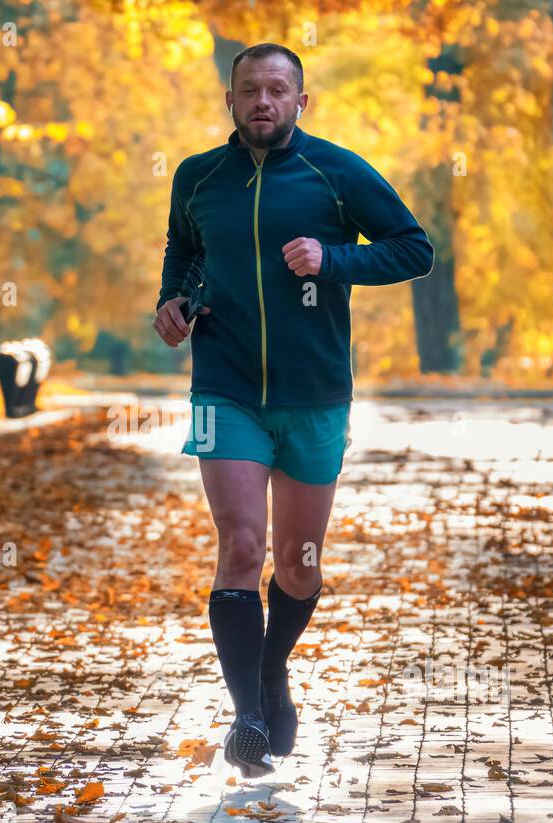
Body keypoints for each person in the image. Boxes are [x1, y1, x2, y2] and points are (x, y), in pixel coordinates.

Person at [153, 43, 434, 778]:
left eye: (278, 90)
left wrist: (334, 260)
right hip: (224, 388)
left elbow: (415, 249)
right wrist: (172, 301)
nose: (263, 102)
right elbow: (184, 251)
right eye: (250, 89)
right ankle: (247, 712)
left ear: (300, 102)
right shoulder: (196, 176)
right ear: (231, 99)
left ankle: (271, 669)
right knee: (241, 546)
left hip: (314, 396)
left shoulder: (335, 172)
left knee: (299, 565)